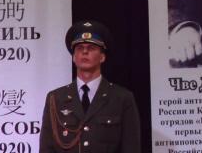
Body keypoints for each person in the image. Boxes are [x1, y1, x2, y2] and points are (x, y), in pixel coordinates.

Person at [39, 20, 141, 152]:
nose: (85, 52)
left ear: (102, 57)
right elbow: (46, 148)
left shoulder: (121, 98)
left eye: (91, 48)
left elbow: (131, 148)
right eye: (80, 48)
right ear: (74, 57)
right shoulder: (55, 98)